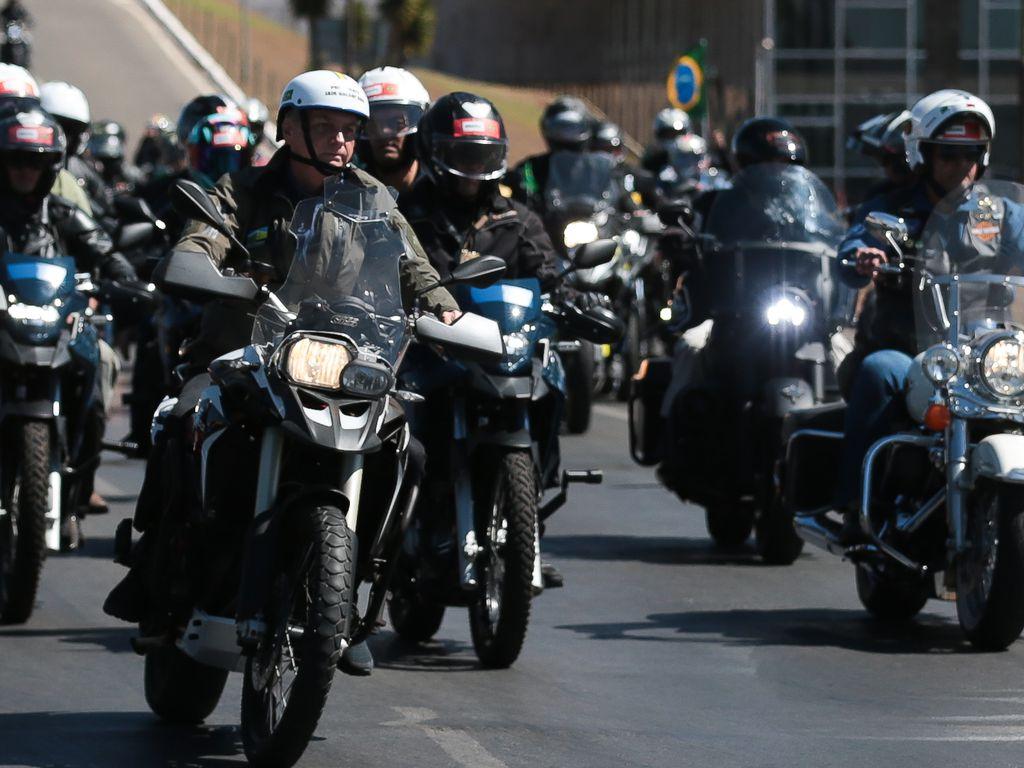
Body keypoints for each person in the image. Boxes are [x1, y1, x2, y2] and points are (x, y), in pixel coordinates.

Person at [104, 71, 458, 677]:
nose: (342, 142)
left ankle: (353, 603)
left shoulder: (373, 197)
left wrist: (445, 308)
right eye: (327, 128)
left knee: (410, 452)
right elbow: (200, 238)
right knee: (184, 420)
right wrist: (198, 264)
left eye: (351, 130)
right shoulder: (241, 188)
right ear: (289, 128)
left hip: (340, 364)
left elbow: (414, 268)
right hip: (244, 357)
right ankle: (156, 580)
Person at [400, 92, 581, 587]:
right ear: (434, 154)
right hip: (432, 351)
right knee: (406, 429)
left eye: (483, 155)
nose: (474, 168)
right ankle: (405, 524)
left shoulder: (516, 218)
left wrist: (577, 298)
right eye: (464, 156)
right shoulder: (409, 215)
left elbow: (548, 271)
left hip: (505, 350)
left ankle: (530, 516)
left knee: (552, 383)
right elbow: (383, 266)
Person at [833, 89, 1007, 542]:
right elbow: (853, 246)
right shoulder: (893, 208)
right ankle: (858, 504)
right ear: (923, 154)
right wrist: (863, 257)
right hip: (908, 349)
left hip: (983, 355)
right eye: (949, 154)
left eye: (971, 154)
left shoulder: (999, 214)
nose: (961, 166)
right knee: (877, 372)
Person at [0, 107, 137, 537]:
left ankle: (79, 482)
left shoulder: (62, 213)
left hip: (59, 326)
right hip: (6, 323)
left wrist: (126, 281)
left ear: (51, 165)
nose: (27, 171)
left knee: (99, 365)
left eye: (37, 161)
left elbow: (106, 252)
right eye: (19, 160)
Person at [657, 116, 812, 490]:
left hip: (804, 315)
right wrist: (681, 240)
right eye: (766, 165)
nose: (776, 173)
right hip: (733, 312)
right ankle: (673, 447)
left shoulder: (809, 208)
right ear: (744, 166)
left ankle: (854, 476)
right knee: (689, 350)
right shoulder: (717, 203)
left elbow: (836, 239)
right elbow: (690, 232)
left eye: (785, 167)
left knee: (847, 359)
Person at [508, 96, 594, 212]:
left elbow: (615, 196)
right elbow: (520, 190)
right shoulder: (531, 168)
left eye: (573, 128)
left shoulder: (596, 168)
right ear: (547, 128)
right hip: (544, 226)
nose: (566, 136)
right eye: (561, 129)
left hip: (594, 224)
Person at [40, 81, 112, 216]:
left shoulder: (78, 175)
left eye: (71, 130)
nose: (64, 137)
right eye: (58, 127)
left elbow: (105, 209)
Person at [356, 66, 430, 196]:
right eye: (374, 124)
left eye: (397, 123)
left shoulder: (442, 194)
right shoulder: (348, 192)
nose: (384, 131)